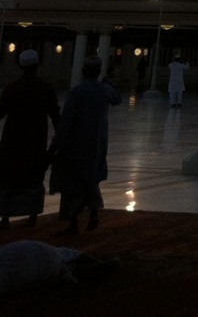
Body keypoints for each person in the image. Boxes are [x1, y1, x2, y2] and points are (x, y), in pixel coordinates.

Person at [48, 59, 121, 236]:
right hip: (97, 143)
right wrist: (109, 83)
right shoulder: (104, 91)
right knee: (90, 179)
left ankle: (73, 223)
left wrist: (54, 147)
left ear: (82, 71)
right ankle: (93, 213)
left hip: (75, 144)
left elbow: (66, 122)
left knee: (71, 183)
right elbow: (117, 98)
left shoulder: (76, 92)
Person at [0, 50, 61, 229]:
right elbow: (56, 116)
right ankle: (32, 216)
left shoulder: (12, 88)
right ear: (37, 66)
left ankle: (5, 217)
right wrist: (58, 143)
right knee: (33, 178)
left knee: (9, 179)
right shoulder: (45, 88)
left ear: (21, 66)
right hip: (35, 141)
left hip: (12, 142)